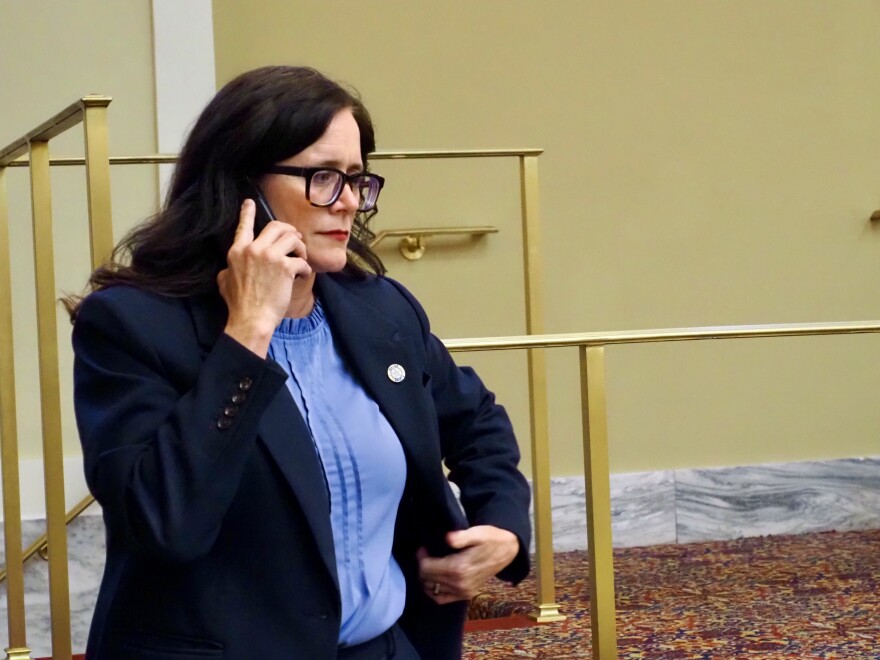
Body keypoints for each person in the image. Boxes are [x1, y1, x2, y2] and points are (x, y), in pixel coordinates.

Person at [69, 65, 531, 660]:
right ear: (241, 185)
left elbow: (477, 421)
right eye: (321, 177)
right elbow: (164, 523)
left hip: (385, 647)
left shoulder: (380, 310)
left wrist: (503, 527)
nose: (347, 204)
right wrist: (247, 334)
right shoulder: (131, 325)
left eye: (357, 180)